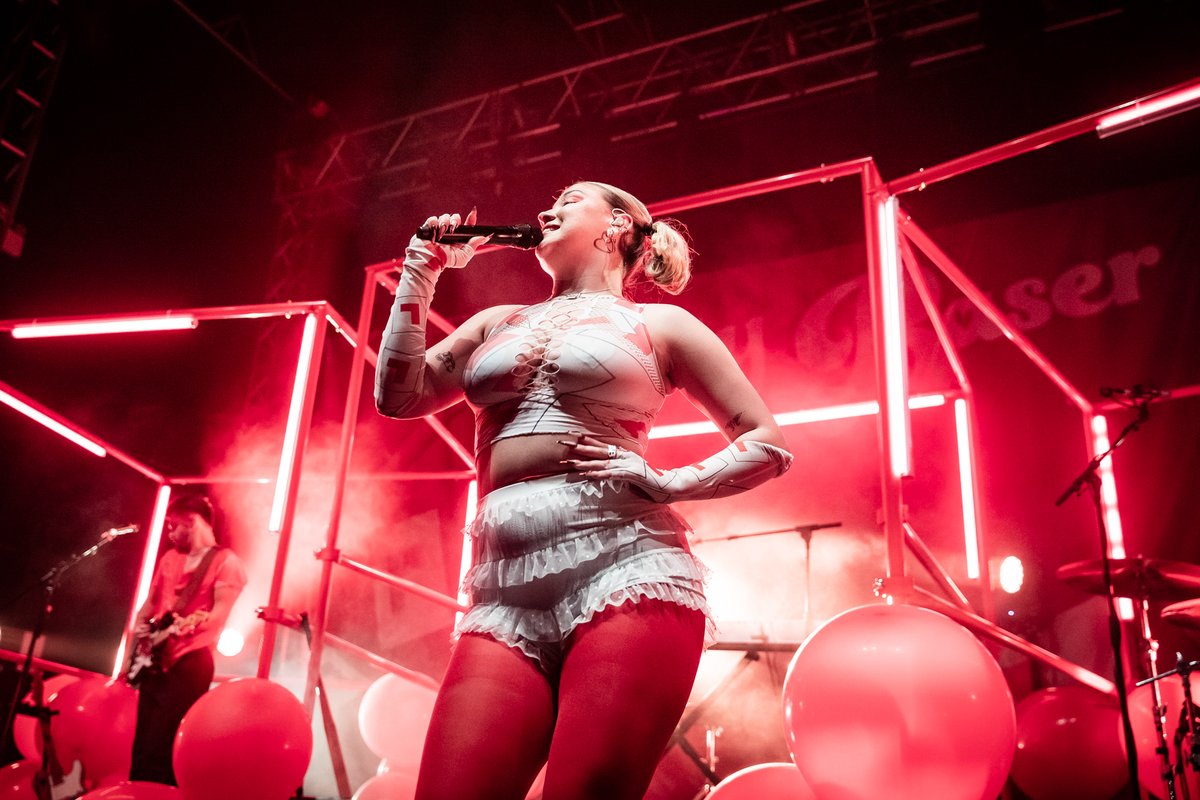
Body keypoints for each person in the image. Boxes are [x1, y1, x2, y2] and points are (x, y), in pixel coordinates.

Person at [376, 181, 792, 800]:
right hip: (502, 591)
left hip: (626, 566)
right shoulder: (496, 322)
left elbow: (766, 443)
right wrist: (420, 270)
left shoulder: (661, 324)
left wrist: (667, 480)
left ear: (619, 227)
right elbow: (398, 395)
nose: (547, 208)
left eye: (569, 200)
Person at [127, 492, 246, 785]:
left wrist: (189, 626)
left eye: (173, 525)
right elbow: (150, 603)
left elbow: (218, 615)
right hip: (154, 659)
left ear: (192, 521)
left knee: (166, 742)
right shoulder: (170, 558)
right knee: (142, 745)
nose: (169, 532)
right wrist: (140, 629)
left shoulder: (226, 562)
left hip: (189, 660)